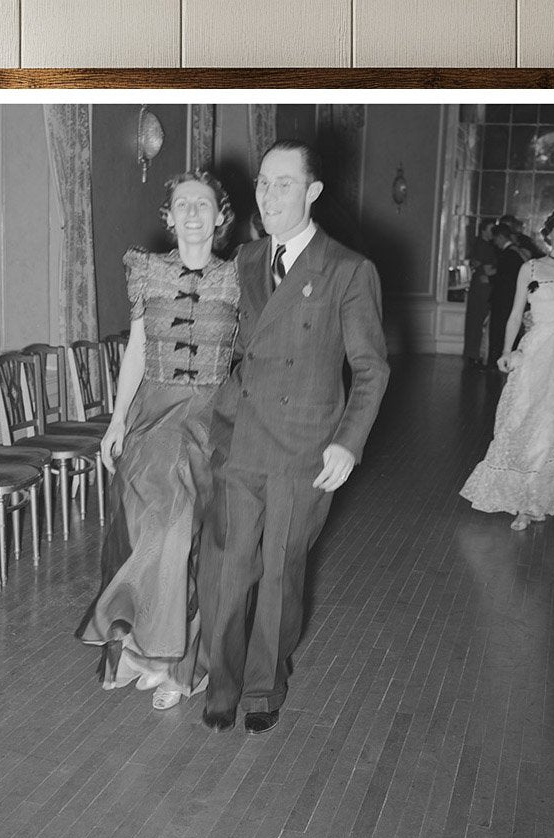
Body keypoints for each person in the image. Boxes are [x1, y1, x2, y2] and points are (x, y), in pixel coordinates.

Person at [198, 139, 389, 735]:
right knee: (227, 570)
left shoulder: (348, 269)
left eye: (284, 184)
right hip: (240, 438)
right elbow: (223, 340)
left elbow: (371, 368)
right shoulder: (246, 259)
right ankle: (222, 683)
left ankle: (263, 688)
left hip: (304, 449)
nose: (269, 195)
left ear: (313, 192)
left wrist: (347, 442)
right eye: (263, 182)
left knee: (280, 573)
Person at [76, 171, 239, 710]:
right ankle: (146, 650)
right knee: (150, 529)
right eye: (181, 204)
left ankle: (171, 661)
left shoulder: (241, 276)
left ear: (221, 216)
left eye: (203, 204)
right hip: (153, 414)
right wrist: (117, 420)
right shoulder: (147, 271)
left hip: (213, 417)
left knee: (188, 536)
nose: (192, 213)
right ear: (169, 217)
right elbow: (137, 351)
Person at [460, 206, 554, 530]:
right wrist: (506, 351)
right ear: (548, 234)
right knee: (524, 419)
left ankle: (540, 498)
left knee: (553, 425)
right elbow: (516, 313)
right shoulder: (530, 268)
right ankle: (521, 499)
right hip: (537, 352)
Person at [486, 222, 526, 369]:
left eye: (496, 238)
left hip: (503, 302)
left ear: (501, 237)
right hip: (509, 300)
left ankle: (497, 364)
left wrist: (489, 278)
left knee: (498, 333)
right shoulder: (514, 252)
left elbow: (505, 279)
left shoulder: (509, 254)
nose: (495, 242)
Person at [462, 220, 496, 365]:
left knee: (475, 319)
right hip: (483, 287)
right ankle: (475, 354)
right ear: (483, 231)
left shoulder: (479, 244)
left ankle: (472, 353)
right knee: (479, 320)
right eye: (491, 229)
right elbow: (488, 270)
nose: (493, 233)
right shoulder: (485, 247)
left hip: (479, 285)